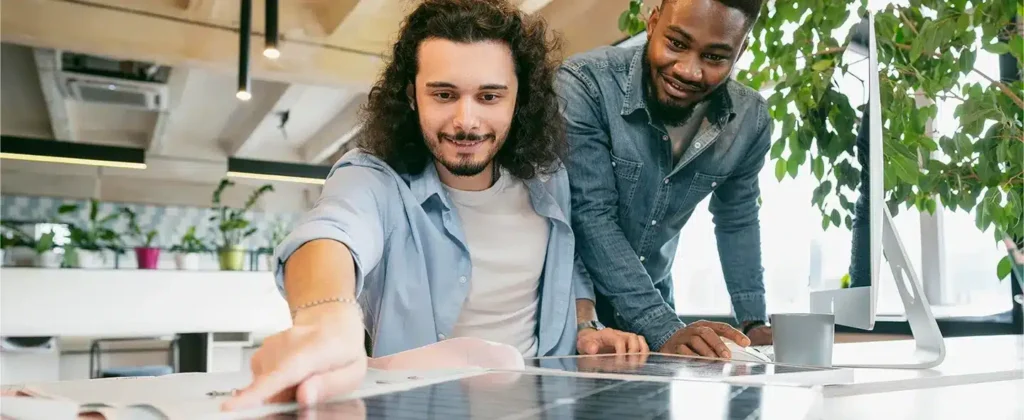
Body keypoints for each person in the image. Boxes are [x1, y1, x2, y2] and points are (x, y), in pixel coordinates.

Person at [222, 0, 645, 411]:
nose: (466, 120)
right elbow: (333, 230)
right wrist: (326, 320)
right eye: (444, 94)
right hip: (422, 407)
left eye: (490, 97)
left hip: (545, 403)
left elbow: (565, 266)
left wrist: (586, 326)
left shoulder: (548, 176)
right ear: (412, 96)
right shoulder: (375, 177)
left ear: (519, 99)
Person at [557, 0, 773, 358]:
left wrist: (752, 322)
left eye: (715, 57)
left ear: (740, 51)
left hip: (656, 298)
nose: (689, 71)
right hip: (577, 310)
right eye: (676, 44)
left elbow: (737, 219)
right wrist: (663, 326)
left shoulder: (750, 121)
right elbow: (591, 215)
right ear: (653, 22)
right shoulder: (585, 85)